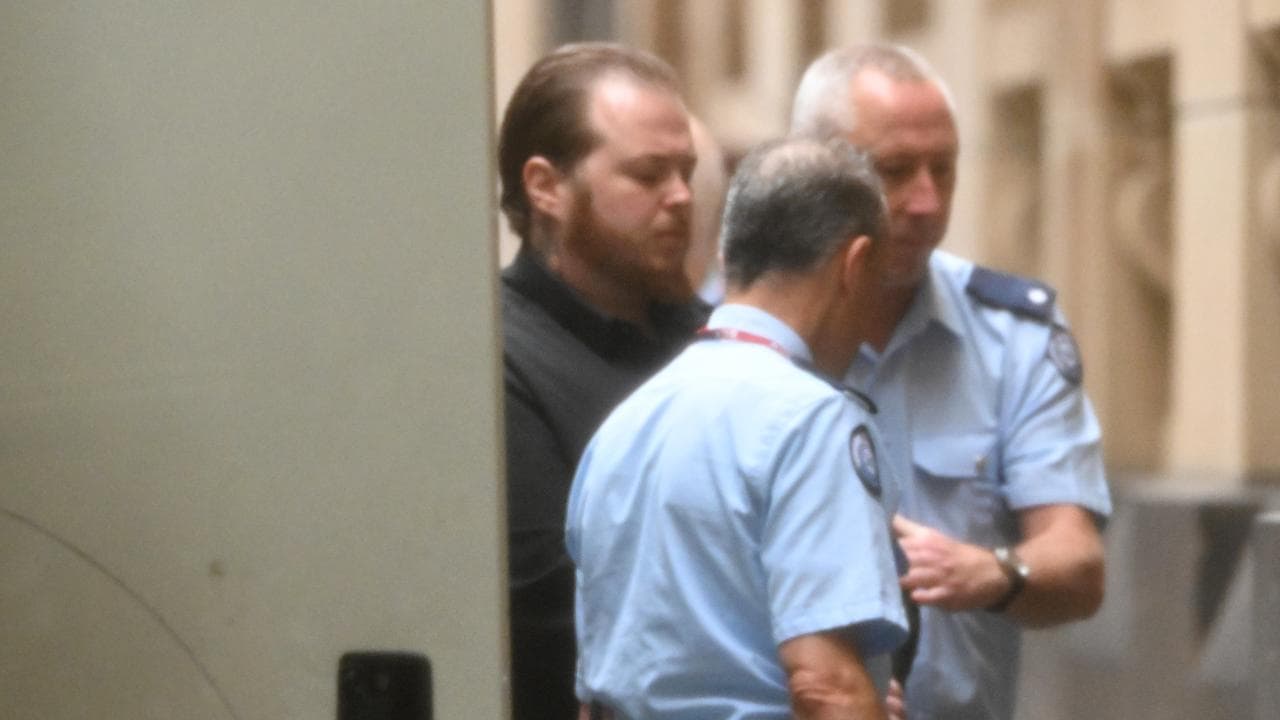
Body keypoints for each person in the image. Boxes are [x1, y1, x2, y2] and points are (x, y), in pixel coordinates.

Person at [791, 43, 1112, 720]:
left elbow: (1079, 564)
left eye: (944, 168)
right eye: (895, 171)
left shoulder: (1013, 335)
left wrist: (994, 572)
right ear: (812, 172)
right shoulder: (743, 338)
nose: (927, 202)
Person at [567, 136, 909, 720]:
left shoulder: (625, 425)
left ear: (728, 256)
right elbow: (825, 686)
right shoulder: (813, 422)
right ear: (853, 266)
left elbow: (595, 695)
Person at [497, 42, 710, 719]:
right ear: (546, 187)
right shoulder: (497, 357)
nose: (681, 196)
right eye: (649, 174)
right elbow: (553, 609)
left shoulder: (715, 340)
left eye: (686, 171)